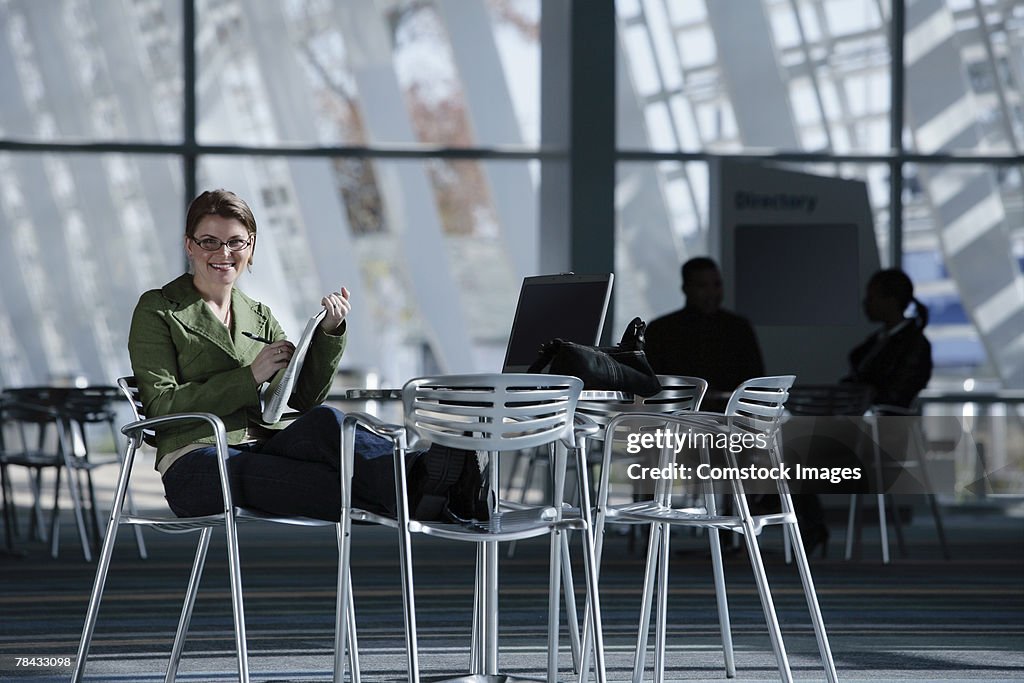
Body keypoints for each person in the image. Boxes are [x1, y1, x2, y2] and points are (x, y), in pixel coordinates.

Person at [128, 189, 479, 522]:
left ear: (250, 248)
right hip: (196, 462)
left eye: (236, 242)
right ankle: (431, 486)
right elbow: (160, 404)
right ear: (190, 246)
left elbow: (303, 399)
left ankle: (425, 479)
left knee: (324, 420)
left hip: (264, 447)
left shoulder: (258, 314)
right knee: (327, 482)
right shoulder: (159, 309)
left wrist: (328, 332)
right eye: (210, 242)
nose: (224, 253)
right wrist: (249, 377)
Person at [645, 257, 765, 409]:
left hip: (726, 418)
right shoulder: (660, 330)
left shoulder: (740, 328)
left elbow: (755, 380)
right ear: (686, 288)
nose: (712, 293)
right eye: (702, 286)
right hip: (679, 419)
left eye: (716, 285)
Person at [843, 268, 932, 408]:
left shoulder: (914, 345)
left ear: (890, 301)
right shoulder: (878, 341)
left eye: (872, 297)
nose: (866, 303)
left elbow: (898, 394)